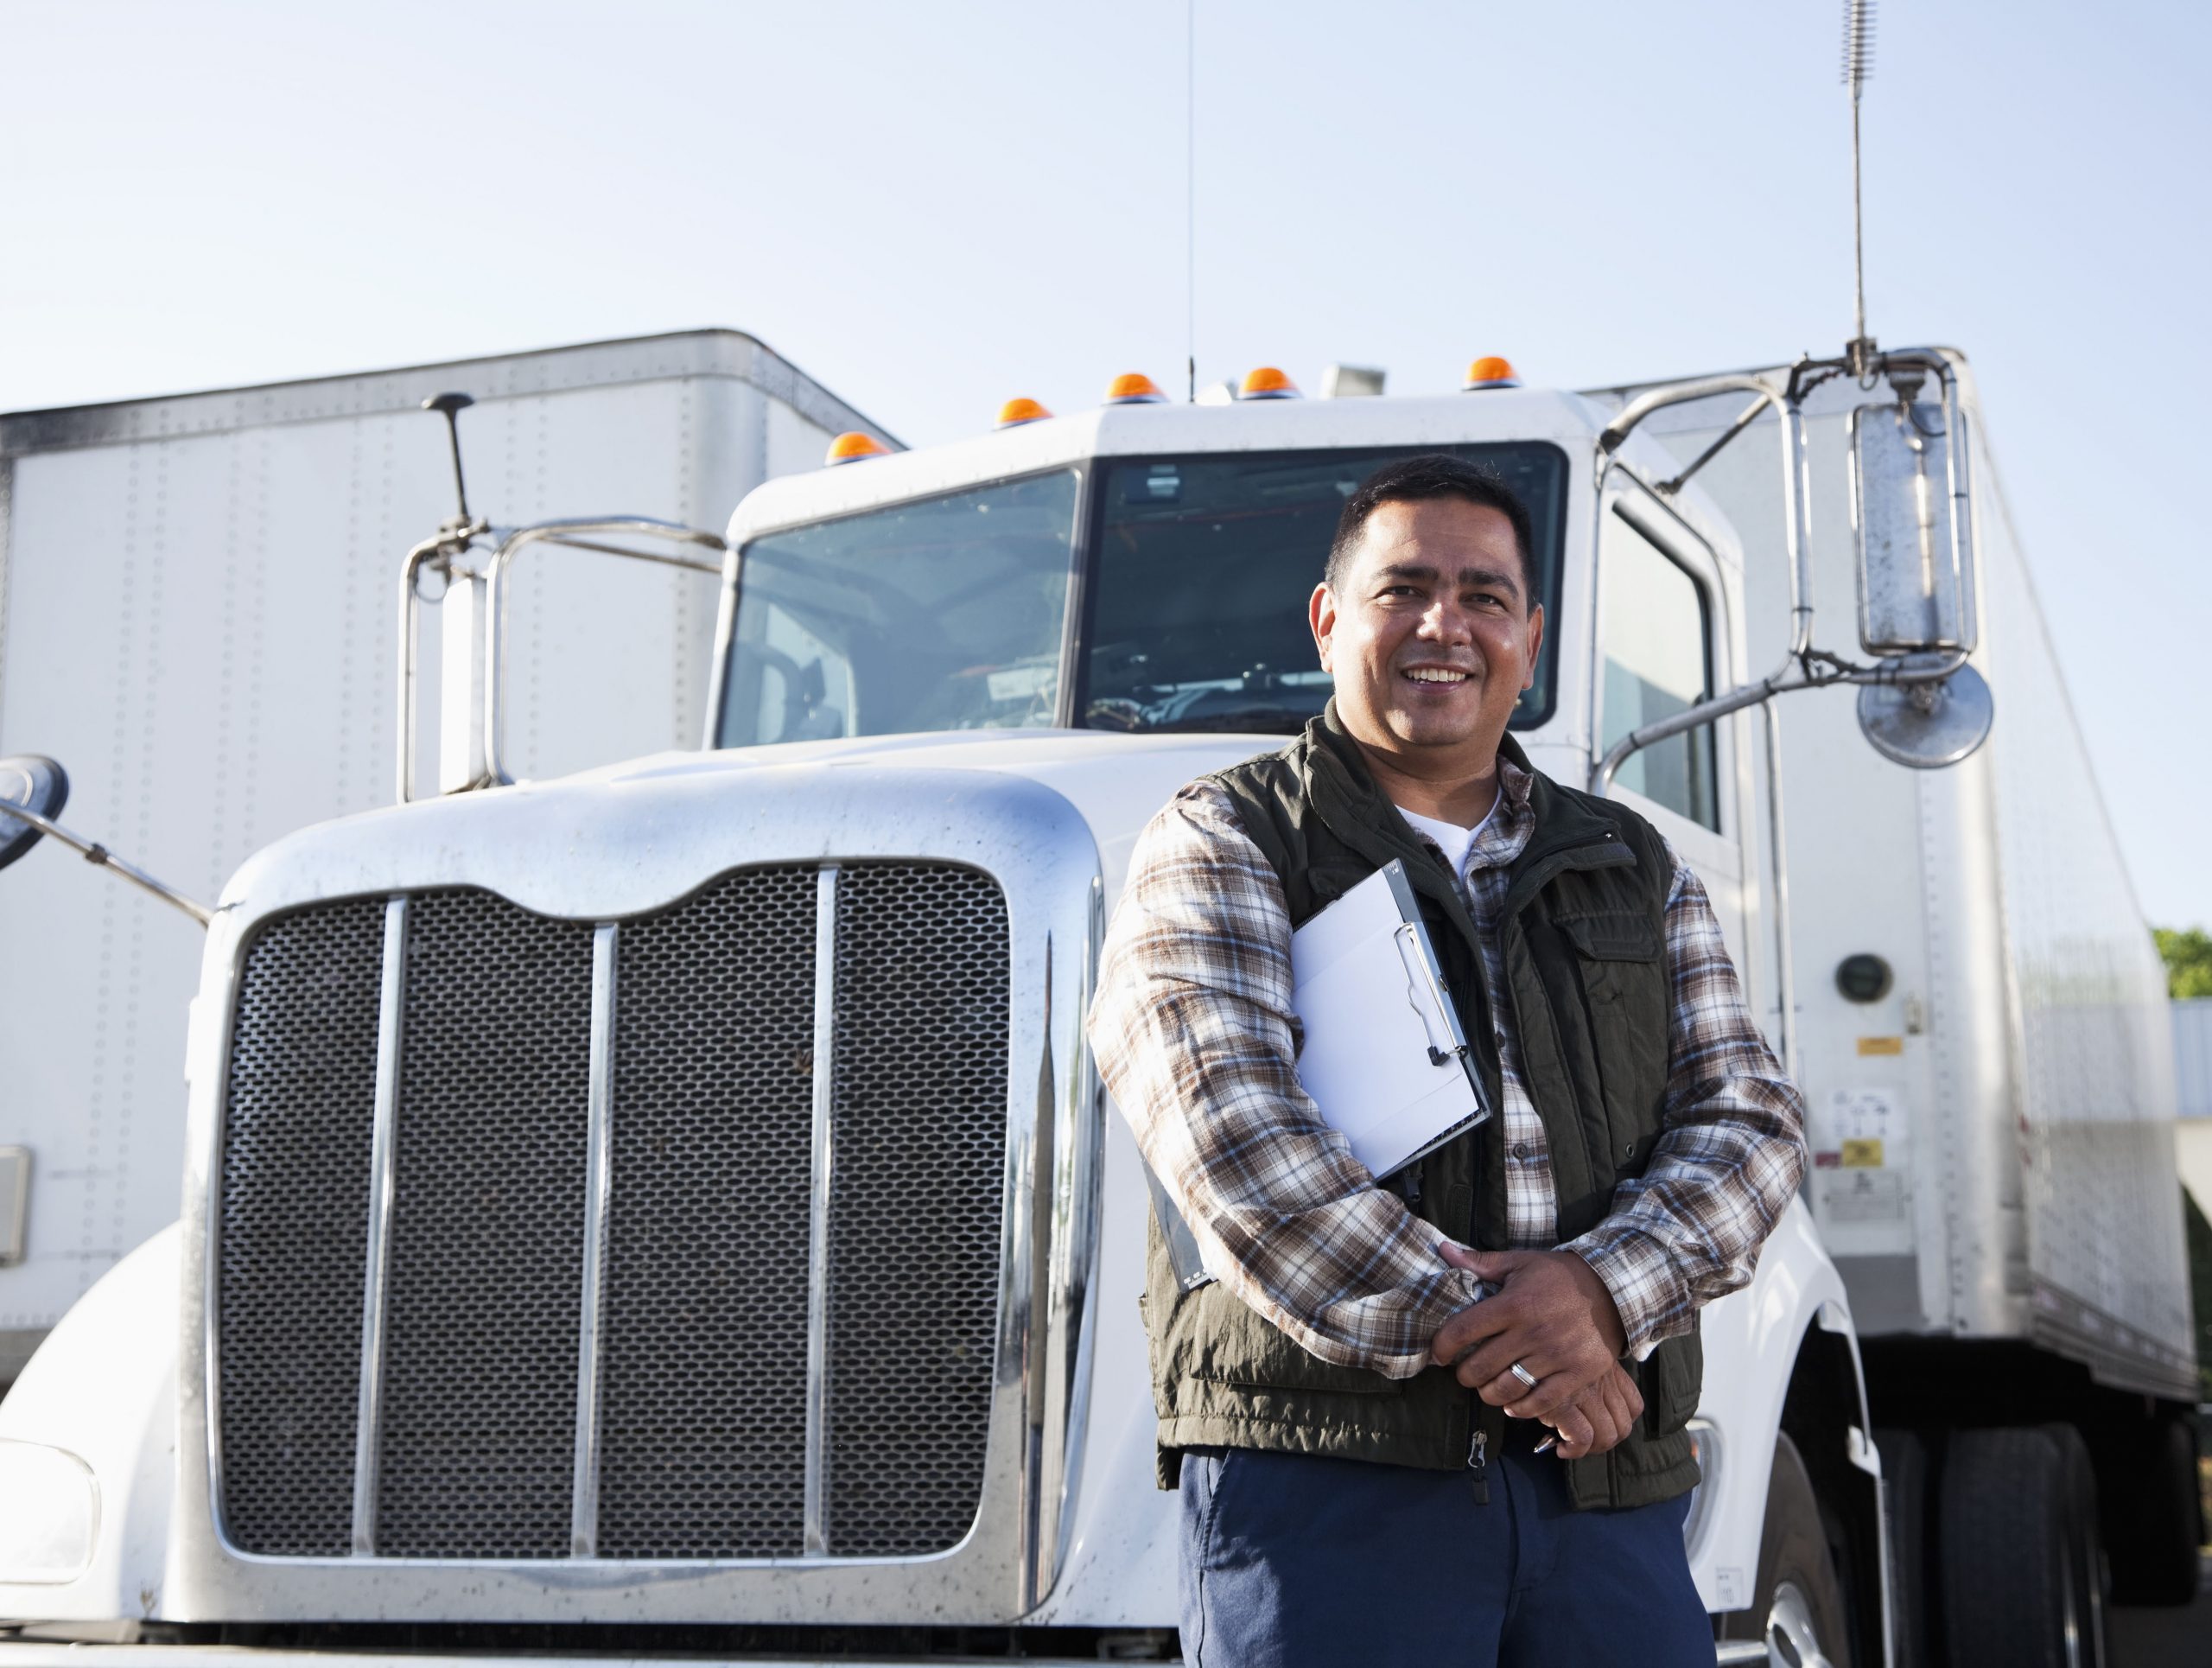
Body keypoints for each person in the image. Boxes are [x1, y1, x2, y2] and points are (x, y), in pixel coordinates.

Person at [1087, 454, 1808, 1668]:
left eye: (1482, 595)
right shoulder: (1223, 835)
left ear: (1529, 637)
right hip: (1331, 1489)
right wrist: (1527, 1341)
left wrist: (1596, 1296)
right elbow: (1232, 1139)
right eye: (1403, 588)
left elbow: (1751, 1121)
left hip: (1603, 1487)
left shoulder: (1633, 861)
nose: (1444, 624)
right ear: (1328, 621)